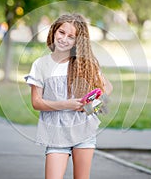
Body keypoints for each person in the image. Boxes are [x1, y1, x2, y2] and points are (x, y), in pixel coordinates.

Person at [25, 13, 113, 179]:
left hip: (83, 131)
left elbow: (107, 88)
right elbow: (36, 102)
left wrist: (90, 107)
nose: (64, 39)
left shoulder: (86, 63)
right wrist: (67, 104)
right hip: (56, 133)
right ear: (53, 32)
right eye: (61, 32)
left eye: (71, 37)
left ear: (78, 41)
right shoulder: (41, 64)